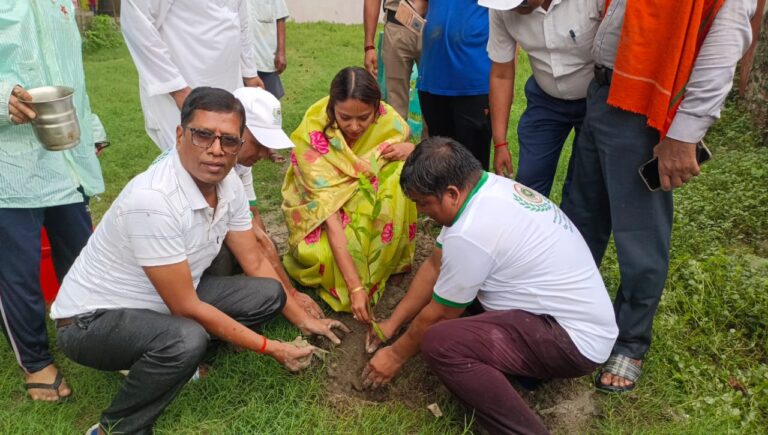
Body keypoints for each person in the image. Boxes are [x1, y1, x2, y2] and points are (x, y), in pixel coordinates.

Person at [51, 87, 347, 434]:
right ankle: (115, 428)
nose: (216, 150)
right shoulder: (154, 200)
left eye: (229, 140)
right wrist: (272, 348)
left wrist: (301, 318)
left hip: (159, 301)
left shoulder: (228, 185)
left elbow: (254, 261)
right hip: (89, 322)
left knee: (269, 293)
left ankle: (169, 355)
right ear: (180, 135)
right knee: (186, 337)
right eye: (203, 135)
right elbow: (186, 306)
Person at [559, 0, 755, 392]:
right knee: (579, 218)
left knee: (640, 236)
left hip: (644, 110)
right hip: (602, 94)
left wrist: (685, 135)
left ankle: (630, 342)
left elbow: (725, 41)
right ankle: (570, 314)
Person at [361, 137, 618, 433]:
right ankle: (526, 370)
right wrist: (392, 325)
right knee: (457, 293)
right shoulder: (485, 187)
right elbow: (435, 265)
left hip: (572, 341)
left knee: (441, 343)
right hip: (566, 319)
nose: (420, 212)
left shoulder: (470, 232)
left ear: (452, 193)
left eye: (423, 203)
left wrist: (395, 356)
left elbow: (441, 315)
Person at [0, 0, 105, 402]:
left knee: (84, 256)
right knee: (18, 271)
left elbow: (72, 71)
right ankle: (34, 359)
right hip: (9, 165)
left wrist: (91, 127)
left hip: (64, 156)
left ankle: (99, 333)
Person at [281, 67, 418, 323]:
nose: (354, 127)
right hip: (322, 213)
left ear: (377, 109)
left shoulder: (387, 121)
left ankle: (387, 263)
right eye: (344, 117)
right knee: (319, 256)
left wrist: (410, 149)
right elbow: (330, 216)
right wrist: (354, 287)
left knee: (398, 175)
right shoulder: (312, 138)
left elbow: (416, 154)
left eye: (364, 118)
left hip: (361, 199)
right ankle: (363, 277)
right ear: (332, 107)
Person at [217, 86, 325, 319]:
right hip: (185, 260)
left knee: (268, 250)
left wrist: (288, 289)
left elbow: (254, 218)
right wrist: (292, 295)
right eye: (259, 143)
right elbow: (253, 236)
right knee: (254, 276)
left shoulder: (239, 163)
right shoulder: (217, 168)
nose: (266, 153)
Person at [483, 0, 603, 198]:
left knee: (586, 186)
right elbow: (501, 74)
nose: (515, 9)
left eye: (522, 2)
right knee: (530, 183)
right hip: (545, 98)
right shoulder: (501, 9)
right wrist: (500, 143)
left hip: (594, 99)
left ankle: (577, 227)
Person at [121, 0, 265, 151]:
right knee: (194, 156)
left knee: (230, 148)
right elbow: (137, 24)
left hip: (230, 80)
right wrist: (178, 89)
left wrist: (249, 72)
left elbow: (241, 19)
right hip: (185, 85)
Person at [417, 0, 493, 170]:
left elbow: (508, 20)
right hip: (433, 76)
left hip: (473, 81)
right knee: (439, 164)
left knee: (473, 167)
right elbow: (420, 6)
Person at [363, 0, 428, 119]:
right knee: (395, 108)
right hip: (398, 24)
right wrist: (369, 46)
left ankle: (433, 138)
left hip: (436, 27)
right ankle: (398, 137)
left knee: (435, 104)